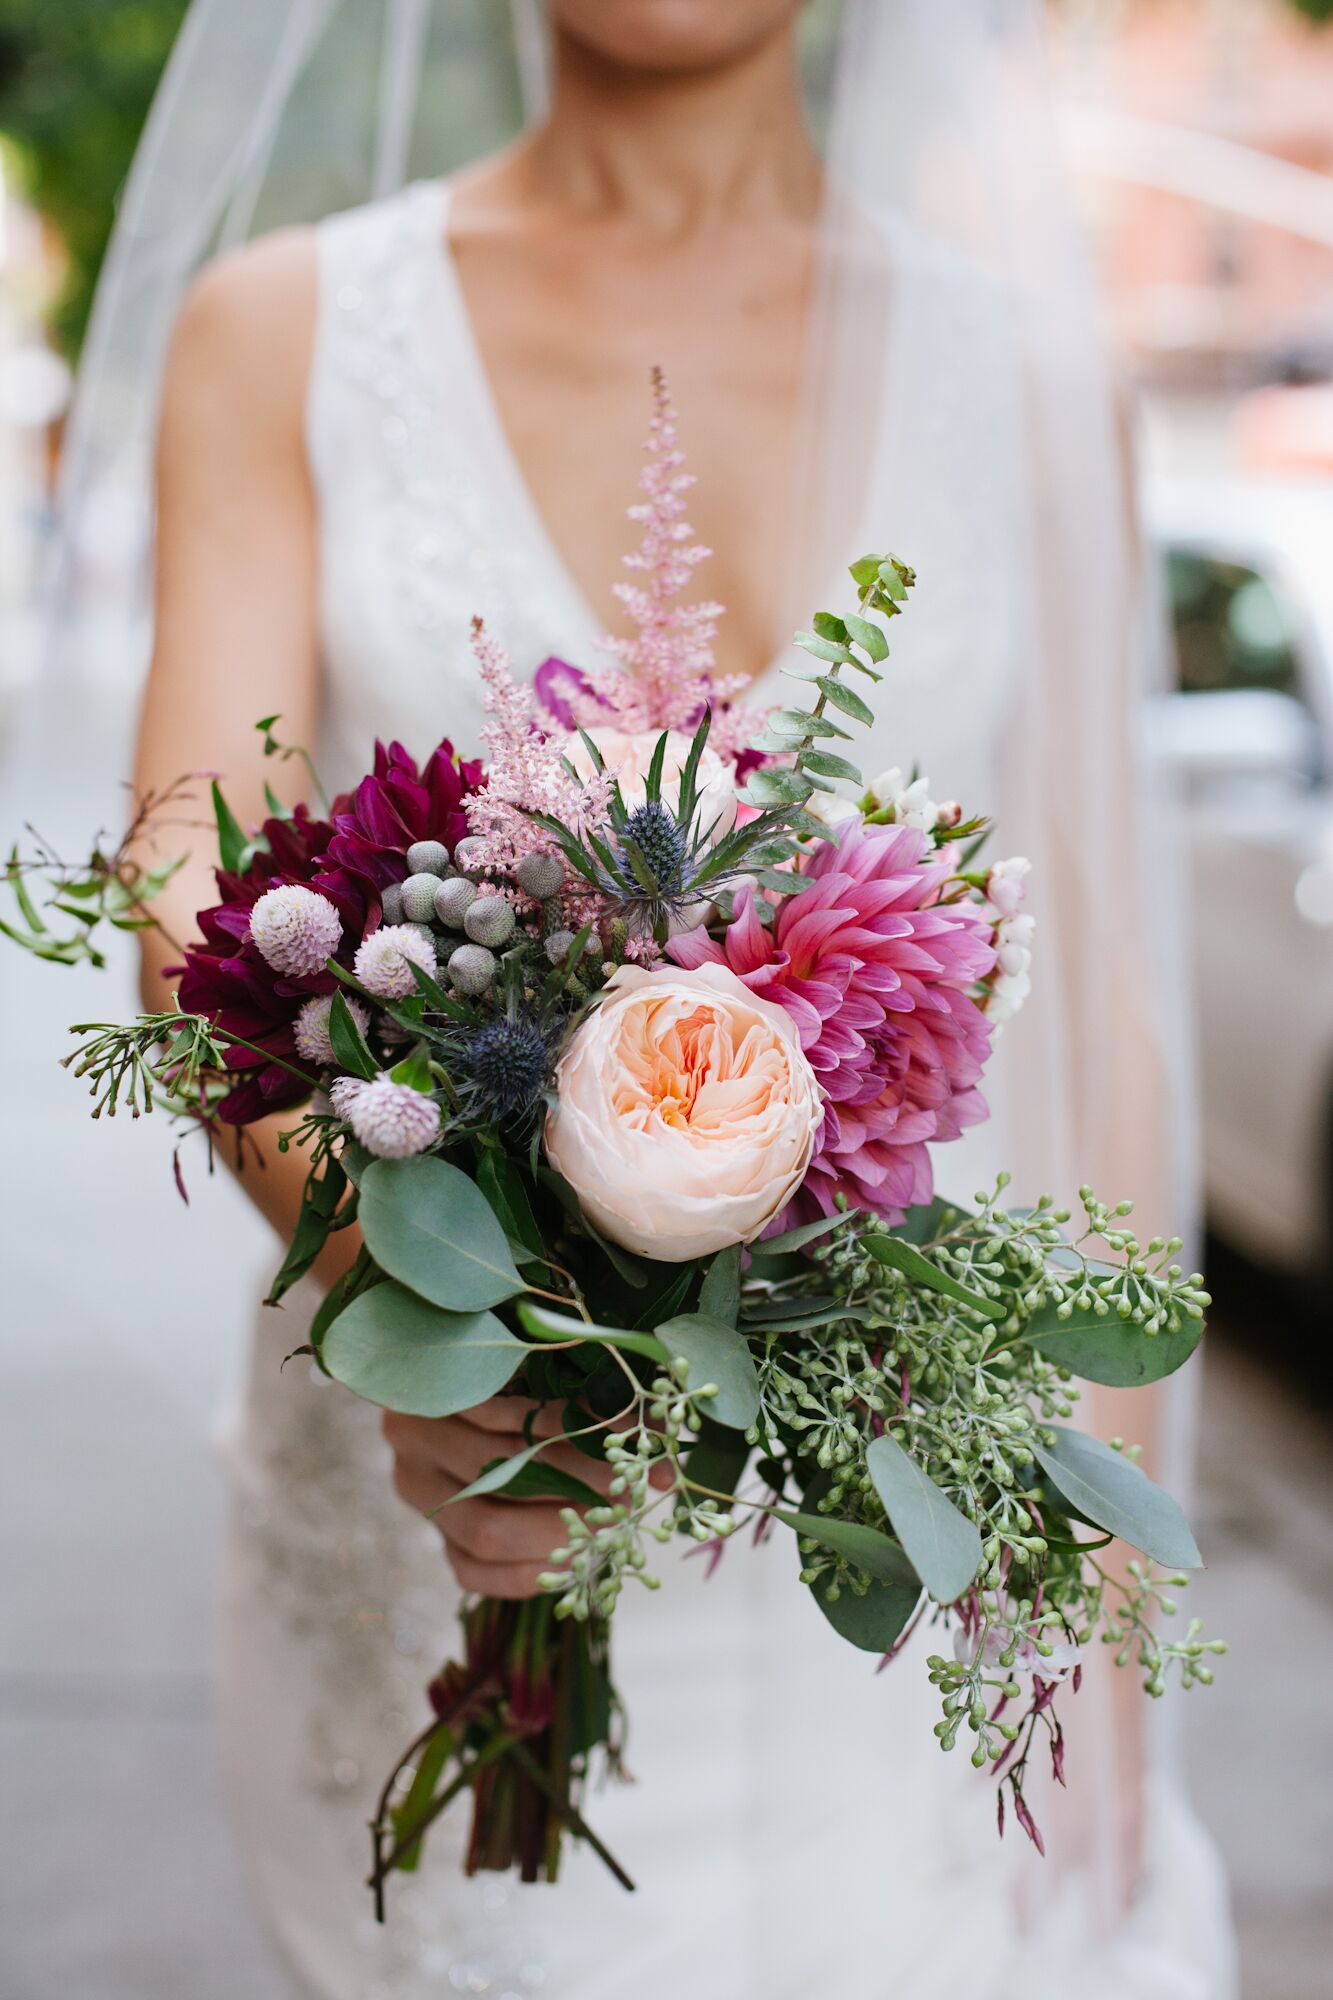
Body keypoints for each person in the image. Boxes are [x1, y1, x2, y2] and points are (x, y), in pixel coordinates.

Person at [94, 0, 1235, 1993]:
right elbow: (194, 891)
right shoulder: (280, 335)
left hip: (902, 1536)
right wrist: (423, 1302)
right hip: (449, 1533)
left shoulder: (1032, 375)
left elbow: (1105, 1038)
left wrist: (1088, 1595)